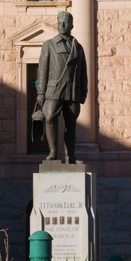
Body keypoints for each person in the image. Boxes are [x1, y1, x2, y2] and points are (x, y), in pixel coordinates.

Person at [34, 12, 88, 163]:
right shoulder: (49, 45)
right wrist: (40, 92)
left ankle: (70, 155)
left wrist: (83, 92)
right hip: (53, 91)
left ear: (72, 25)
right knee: (50, 117)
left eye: (66, 22)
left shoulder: (78, 47)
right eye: (60, 22)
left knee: (71, 124)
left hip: (72, 92)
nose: (62, 24)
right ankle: (53, 151)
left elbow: (83, 72)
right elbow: (42, 70)